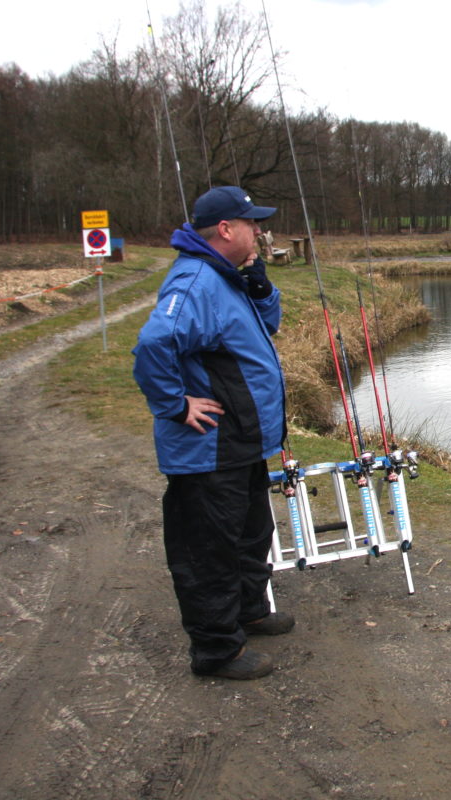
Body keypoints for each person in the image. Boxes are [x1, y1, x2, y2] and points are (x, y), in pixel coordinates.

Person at [133, 185, 294, 680]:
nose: (260, 232)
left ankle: (249, 611)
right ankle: (217, 650)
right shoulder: (196, 281)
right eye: (253, 225)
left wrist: (261, 286)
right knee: (209, 550)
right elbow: (153, 345)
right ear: (226, 229)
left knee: (251, 534)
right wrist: (174, 405)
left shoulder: (226, 276)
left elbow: (267, 328)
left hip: (241, 442)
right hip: (210, 448)